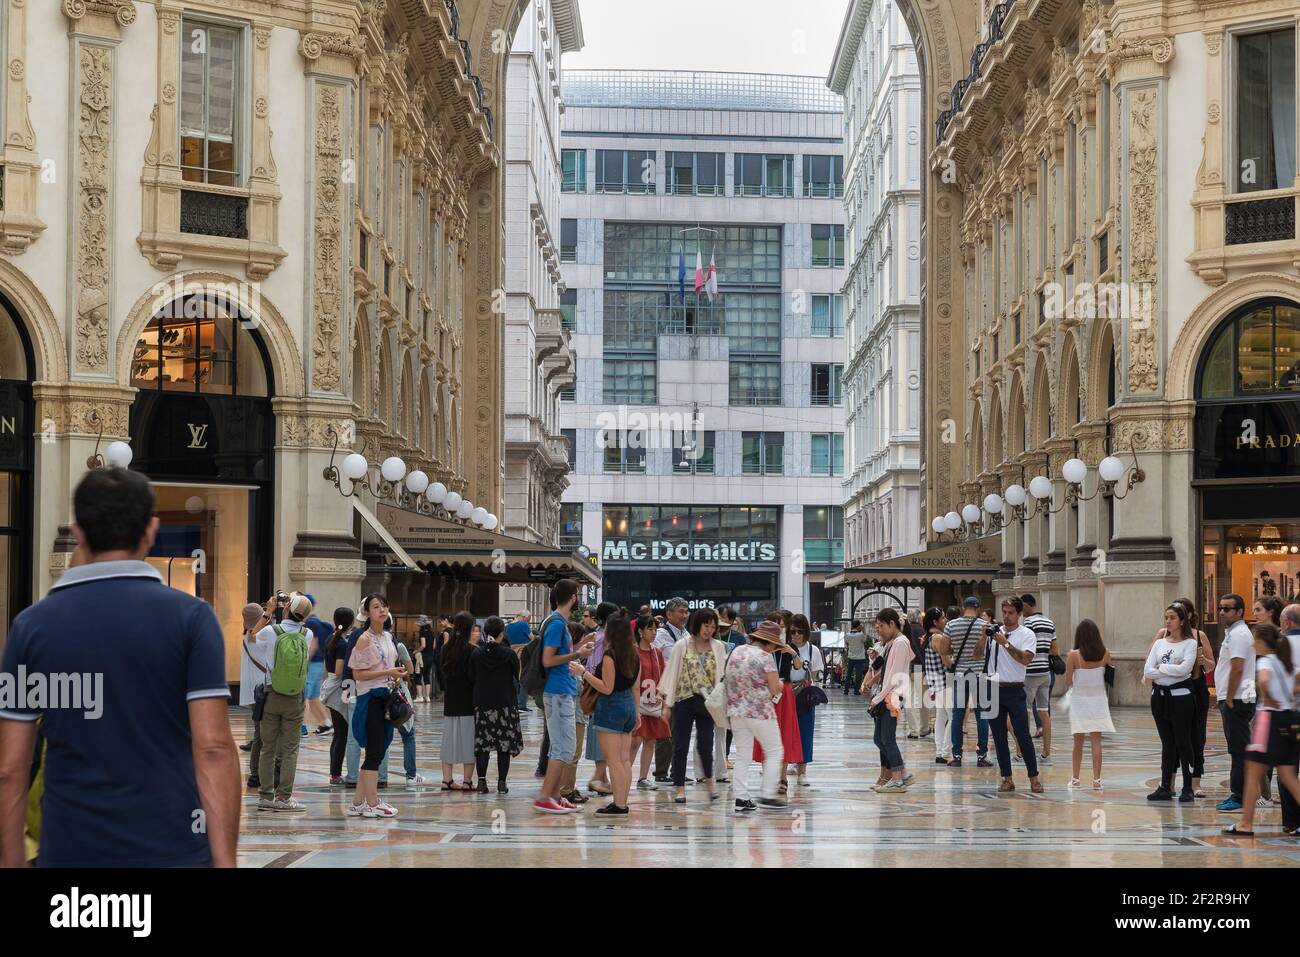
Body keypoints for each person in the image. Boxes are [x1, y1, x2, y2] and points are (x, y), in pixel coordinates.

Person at [0, 468, 239, 867]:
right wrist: (225, 862)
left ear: (78, 532)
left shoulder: (30, 627)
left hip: (71, 852)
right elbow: (213, 748)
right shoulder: (192, 619)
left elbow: (10, 768)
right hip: (171, 848)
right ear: (151, 530)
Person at [1225, 623, 1300, 837]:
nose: (1251, 643)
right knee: (1288, 777)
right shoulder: (1286, 663)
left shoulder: (1265, 661)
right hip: (1288, 720)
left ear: (1261, 642)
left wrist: (1268, 695)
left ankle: (1246, 824)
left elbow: (1265, 680)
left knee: (1252, 773)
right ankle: (1245, 823)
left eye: (1255, 639)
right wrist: (1289, 695)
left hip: (1267, 722)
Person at [248, 593, 314, 812]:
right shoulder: (308, 633)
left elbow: (251, 638)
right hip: (295, 697)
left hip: (271, 694)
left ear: (285, 609)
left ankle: (266, 796)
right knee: (290, 748)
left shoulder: (270, 631)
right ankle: (284, 797)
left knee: (268, 747)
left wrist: (268, 611)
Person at [536, 579, 595, 814]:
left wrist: (580, 645)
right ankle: (545, 797)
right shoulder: (557, 624)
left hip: (563, 691)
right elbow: (548, 660)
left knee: (562, 747)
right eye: (577, 594)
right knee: (564, 747)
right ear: (573, 597)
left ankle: (555, 795)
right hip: (558, 691)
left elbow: (560, 653)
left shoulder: (559, 622)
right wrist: (577, 653)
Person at [661, 605, 727, 804]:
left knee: (705, 744)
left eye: (713, 627)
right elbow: (672, 673)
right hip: (683, 699)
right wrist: (667, 704)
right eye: (706, 625)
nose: (709, 630)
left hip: (707, 701)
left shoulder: (718, 647)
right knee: (680, 745)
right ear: (698, 625)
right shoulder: (682, 645)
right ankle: (680, 787)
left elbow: (722, 678)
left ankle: (710, 780)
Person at [577, 611, 641, 815]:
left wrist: (584, 673)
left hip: (610, 708)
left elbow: (606, 687)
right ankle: (623, 802)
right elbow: (636, 688)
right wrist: (637, 713)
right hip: (629, 706)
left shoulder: (609, 655)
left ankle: (619, 804)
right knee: (624, 760)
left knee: (613, 761)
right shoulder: (635, 654)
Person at [347, 594, 403, 819]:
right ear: (367, 612)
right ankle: (372, 802)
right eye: (376, 606)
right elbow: (358, 674)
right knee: (374, 752)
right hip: (370, 699)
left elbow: (389, 665)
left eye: (384, 606)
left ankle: (358, 802)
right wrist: (387, 673)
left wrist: (395, 675)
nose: (381, 610)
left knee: (377, 750)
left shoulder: (388, 637)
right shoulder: (364, 639)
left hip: (386, 696)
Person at [727, 620, 788, 811]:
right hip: (760, 712)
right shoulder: (765, 657)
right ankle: (768, 794)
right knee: (775, 750)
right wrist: (779, 685)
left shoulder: (737, 652)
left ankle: (741, 798)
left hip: (736, 711)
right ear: (769, 642)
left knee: (742, 755)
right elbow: (773, 688)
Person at [985, 597, 1043, 793]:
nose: (1007, 616)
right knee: (999, 737)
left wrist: (1006, 644)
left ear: (1019, 614)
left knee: (1023, 735)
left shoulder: (1026, 634)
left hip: (1015, 689)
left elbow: (1026, 659)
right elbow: (977, 654)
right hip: (994, 689)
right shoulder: (995, 634)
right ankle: (1007, 778)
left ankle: (1034, 777)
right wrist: (982, 637)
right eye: (1004, 612)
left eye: (1011, 612)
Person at [1143, 602, 1199, 802]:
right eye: (1166, 617)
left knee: (1184, 742)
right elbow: (1147, 670)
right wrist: (1170, 666)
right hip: (1159, 697)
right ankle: (1165, 785)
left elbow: (1185, 670)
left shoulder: (1190, 643)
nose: (1168, 621)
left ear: (1182, 620)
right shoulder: (1160, 643)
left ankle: (1187, 787)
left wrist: (1162, 667)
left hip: (1181, 698)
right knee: (1167, 743)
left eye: (1172, 617)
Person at [469, 616, 523, 794]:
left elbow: (471, 676)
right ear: (501, 634)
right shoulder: (509, 654)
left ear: (485, 633)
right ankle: (501, 782)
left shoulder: (477, 653)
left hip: (483, 703)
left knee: (483, 744)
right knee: (504, 745)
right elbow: (517, 675)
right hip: (505, 703)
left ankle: (482, 782)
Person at [1215, 593, 1256, 812]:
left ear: (1240, 611)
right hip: (1233, 697)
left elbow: (1238, 667)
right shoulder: (1234, 633)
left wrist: (1229, 696)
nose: (1222, 612)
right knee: (1237, 748)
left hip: (1238, 699)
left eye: (1227, 609)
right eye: (1221, 608)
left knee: (1238, 750)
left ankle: (1239, 795)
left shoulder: (1239, 634)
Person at [868, 608, 914, 791]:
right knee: (879, 738)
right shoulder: (892, 643)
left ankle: (897, 779)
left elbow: (894, 675)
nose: (878, 629)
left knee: (887, 738)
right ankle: (901, 773)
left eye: (881, 626)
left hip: (892, 696)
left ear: (892, 624)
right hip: (887, 695)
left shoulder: (901, 642)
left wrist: (877, 698)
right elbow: (884, 669)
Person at [1065, 618, 1113, 789]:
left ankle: (1076, 778)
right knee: (1096, 742)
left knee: (1078, 742)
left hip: (1079, 701)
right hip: (1099, 700)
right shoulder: (1105, 653)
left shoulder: (1073, 655)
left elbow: (1067, 680)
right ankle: (1097, 780)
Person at [945, 597, 991, 767]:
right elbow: (984, 652)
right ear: (978, 608)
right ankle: (982, 755)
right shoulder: (985, 626)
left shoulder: (951, 625)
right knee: (982, 716)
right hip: (980, 674)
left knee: (957, 715)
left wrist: (955, 652)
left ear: (963, 607)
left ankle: (957, 755)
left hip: (959, 674)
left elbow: (944, 649)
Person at [582, 601, 620, 796]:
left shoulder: (598, 637)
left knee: (600, 733)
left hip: (595, 690)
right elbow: (598, 667)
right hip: (603, 691)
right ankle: (598, 776)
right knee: (605, 735)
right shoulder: (605, 639)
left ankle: (602, 778)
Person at [651, 597, 690, 782]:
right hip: (666, 690)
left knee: (681, 732)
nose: (684, 615)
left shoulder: (687, 635)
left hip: (684, 689)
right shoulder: (660, 635)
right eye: (680, 611)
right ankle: (660, 773)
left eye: (686, 611)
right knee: (665, 733)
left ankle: (678, 771)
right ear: (668, 614)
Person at [630, 613, 670, 790]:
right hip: (636, 700)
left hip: (653, 701)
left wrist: (661, 693)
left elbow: (664, 675)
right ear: (640, 631)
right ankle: (623, 774)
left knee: (650, 740)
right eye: (650, 629)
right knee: (635, 740)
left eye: (655, 629)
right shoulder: (633, 651)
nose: (654, 632)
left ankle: (643, 778)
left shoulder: (657, 652)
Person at [439, 611, 477, 791]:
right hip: (468, 702)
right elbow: (475, 677)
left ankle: (447, 780)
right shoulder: (472, 651)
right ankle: (467, 781)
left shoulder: (445, 649)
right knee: (469, 742)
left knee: (449, 741)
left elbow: (441, 674)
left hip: (451, 701)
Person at [1020, 595, 1058, 766]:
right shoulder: (1050, 622)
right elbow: (1055, 650)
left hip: (1030, 672)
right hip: (1045, 672)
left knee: (1026, 711)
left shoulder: (1028, 623)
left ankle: (1021, 752)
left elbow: (1024, 647)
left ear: (1027, 606)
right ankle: (1046, 753)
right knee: (1044, 712)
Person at [239, 601, 272, 787]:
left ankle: (257, 772)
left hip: (254, 691)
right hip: (262, 690)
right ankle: (255, 773)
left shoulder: (248, 637)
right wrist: (269, 613)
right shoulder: (255, 637)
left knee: (260, 733)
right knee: (261, 735)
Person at [788, 614, 824, 786]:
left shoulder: (813, 650)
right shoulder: (785, 649)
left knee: (805, 732)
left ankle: (802, 771)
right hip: (787, 692)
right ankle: (788, 763)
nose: (795, 635)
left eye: (799, 631)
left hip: (805, 694)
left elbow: (815, 675)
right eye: (792, 631)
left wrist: (807, 684)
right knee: (787, 732)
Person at [321, 607, 354, 785]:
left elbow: (327, 669)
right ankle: (335, 774)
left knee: (338, 733)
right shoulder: (342, 644)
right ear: (350, 623)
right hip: (339, 690)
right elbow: (340, 670)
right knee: (342, 733)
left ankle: (335, 772)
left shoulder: (330, 639)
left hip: (331, 686)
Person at [390, 629, 425, 787]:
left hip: (375, 690)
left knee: (381, 737)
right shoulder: (398, 645)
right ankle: (411, 775)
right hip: (397, 693)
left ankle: (379, 776)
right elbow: (410, 670)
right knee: (408, 735)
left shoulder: (368, 642)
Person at [921, 607, 952, 764]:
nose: (945, 620)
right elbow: (946, 661)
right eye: (943, 618)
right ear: (935, 621)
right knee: (953, 717)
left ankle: (940, 751)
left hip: (935, 682)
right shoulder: (938, 638)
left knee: (941, 716)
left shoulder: (928, 637)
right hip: (944, 682)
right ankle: (945, 751)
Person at [1280, 604, 1300, 834]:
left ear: (1286, 623)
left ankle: (1292, 820)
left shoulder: (1281, 645)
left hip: (1288, 714)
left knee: (1287, 768)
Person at [302, 595, 334, 735]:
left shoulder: (311, 623)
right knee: (313, 697)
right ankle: (326, 724)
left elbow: (312, 646)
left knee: (304, 696)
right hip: (318, 664)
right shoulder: (317, 622)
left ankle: (301, 726)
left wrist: (302, 662)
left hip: (312, 663)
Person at [904, 611, 929, 739]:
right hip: (922, 667)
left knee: (910, 700)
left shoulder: (905, 632)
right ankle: (924, 728)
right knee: (924, 700)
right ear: (919, 618)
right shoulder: (923, 631)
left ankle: (913, 730)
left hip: (909, 668)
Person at [505, 612, 533, 712]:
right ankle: (521, 704)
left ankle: (514, 702)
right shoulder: (523, 624)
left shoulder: (508, 626)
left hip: (512, 652)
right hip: (523, 652)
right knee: (525, 677)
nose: (528, 622)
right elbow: (533, 639)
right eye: (528, 619)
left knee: (515, 677)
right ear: (523, 617)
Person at [843, 620, 868, 695]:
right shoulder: (860, 635)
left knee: (848, 674)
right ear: (858, 626)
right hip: (860, 658)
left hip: (851, 656)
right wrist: (863, 630)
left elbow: (846, 642)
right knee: (858, 675)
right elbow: (865, 640)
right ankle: (856, 691)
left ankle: (846, 690)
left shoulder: (847, 635)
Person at [416, 615, 436, 704]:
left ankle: (420, 697)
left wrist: (416, 651)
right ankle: (428, 697)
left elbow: (423, 645)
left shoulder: (422, 632)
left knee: (418, 675)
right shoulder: (432, 633)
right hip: (431, 656)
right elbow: (434, 646)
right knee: (427, 676)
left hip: (423, 656)